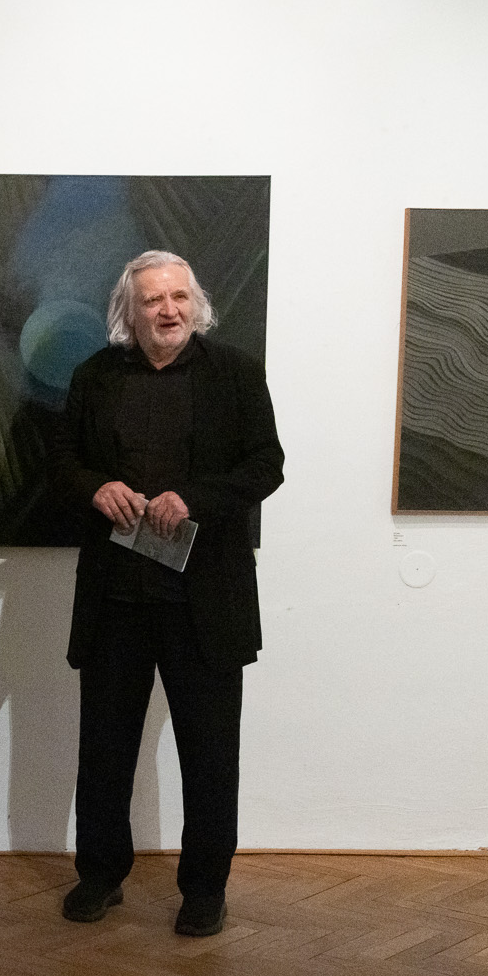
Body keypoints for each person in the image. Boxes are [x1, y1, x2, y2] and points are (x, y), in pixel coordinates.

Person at [52, 250, 284, 937]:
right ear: (130, 309)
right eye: (153, 299)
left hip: (205, 602)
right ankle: (100, 876)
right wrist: (96, 487)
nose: (168, 309)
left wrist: (195, 499)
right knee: (104, 750)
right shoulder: (94, 376)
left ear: (196, 302)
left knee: (209, 756)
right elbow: (61, 461)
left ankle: (205, 890)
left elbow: (267, 464)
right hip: (116, 598)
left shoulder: (235, 373)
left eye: (179, 296)